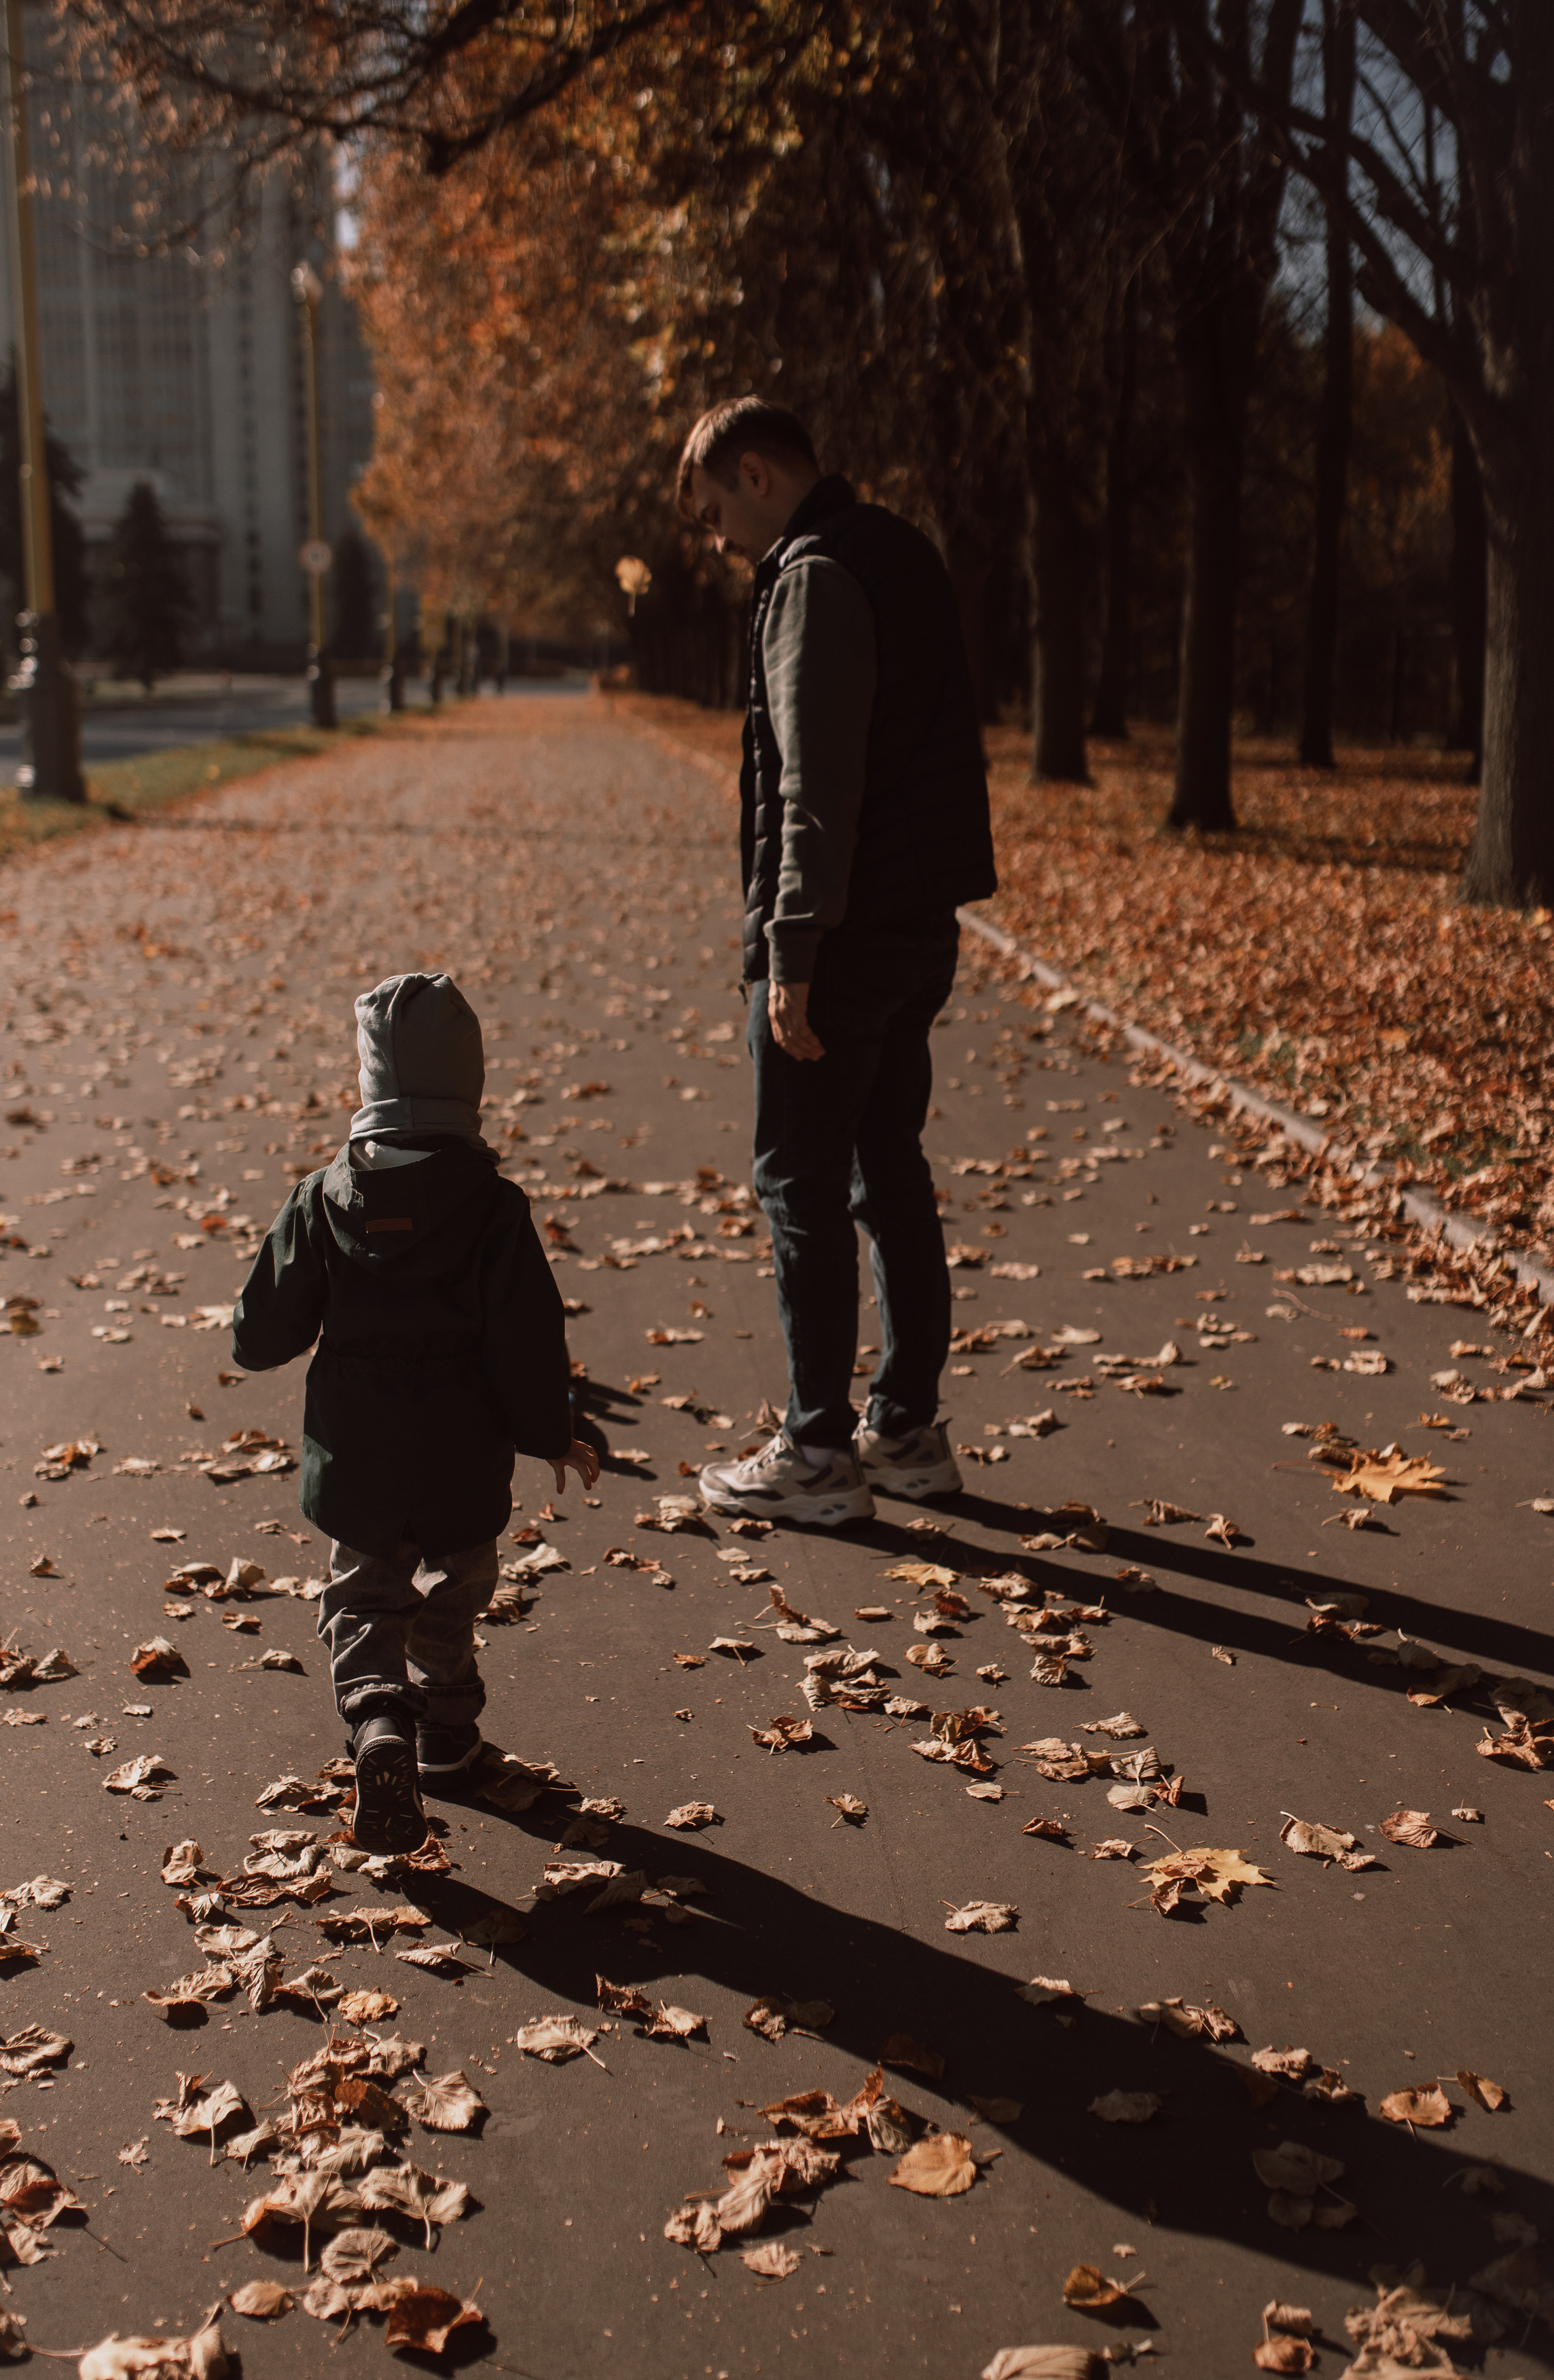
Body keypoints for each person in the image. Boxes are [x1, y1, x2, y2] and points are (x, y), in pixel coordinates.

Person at [679, 398, 997, 1527]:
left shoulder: (811, 576)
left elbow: (818, 784)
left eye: (717, 511)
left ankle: (816, 1453)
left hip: (846, 931)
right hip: (918, 922)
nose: (717, 541)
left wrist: (791, 948)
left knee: (798, 1182)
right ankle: (907, 1430)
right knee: (886, 1166)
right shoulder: (900, 548)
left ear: (757, 475)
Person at [232, 971, 599, 1852]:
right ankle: (446, 1736)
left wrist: (256, 1332)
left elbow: (262, 1333)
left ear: (368, 1085)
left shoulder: (323, 1200)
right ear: (469, 1084)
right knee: (453, 1589)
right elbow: (527, 1337)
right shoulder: (496, 1212)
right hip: (462, 1454)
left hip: (358, 1456)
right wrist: (552, 1432)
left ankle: (378, 1724)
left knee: (363, 1595)